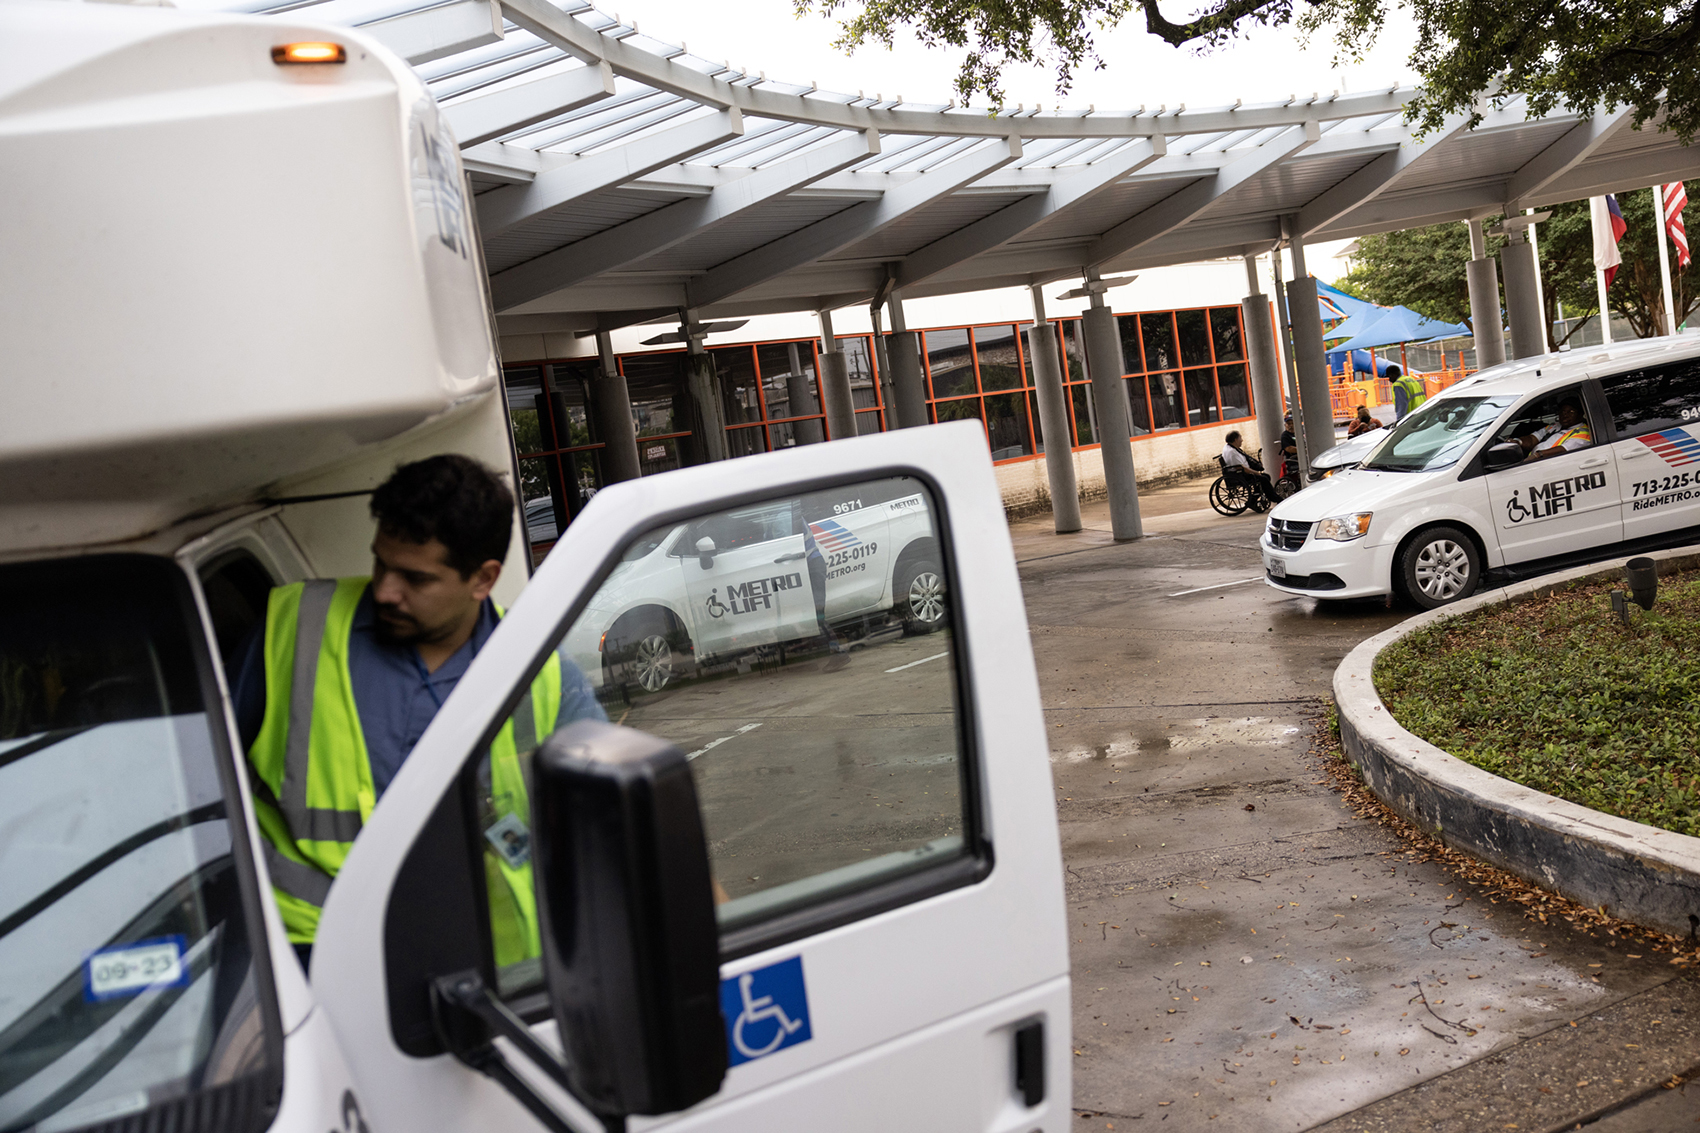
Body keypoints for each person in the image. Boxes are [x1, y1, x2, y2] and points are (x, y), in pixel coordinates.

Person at [232, 454, 605, 970]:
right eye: (380, 562)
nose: (384, 589)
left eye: (415, 578)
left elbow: (612, 823)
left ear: (483, 579)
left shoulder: (542, 676)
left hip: (489, 978)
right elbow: (197, 784)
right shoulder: (293, 628)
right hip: (314, 961)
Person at [1520, 397, 1593, 461]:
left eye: (1571, 412)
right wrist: (1518, 441)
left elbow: (1563, 450)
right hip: (1533, 461)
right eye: (1563, 411)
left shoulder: (1583, 432)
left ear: (1580, 415)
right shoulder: (1555, 426)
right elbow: (1533, 438)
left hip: (1551, 463)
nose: (1565, 415)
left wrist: (1538, 455)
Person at [1221, 431, 1276, 502]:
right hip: (1241, 475)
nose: (1242, 440)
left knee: (1265, 477)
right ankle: (1273, 497)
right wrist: (1256, 472)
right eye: (1240, 438)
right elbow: (1241, 468)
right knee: (1264, 478)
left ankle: (1253, 500)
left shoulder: (1228, 447)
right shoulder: (1232, 452)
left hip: (1239, 473)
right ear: (1235, 440)